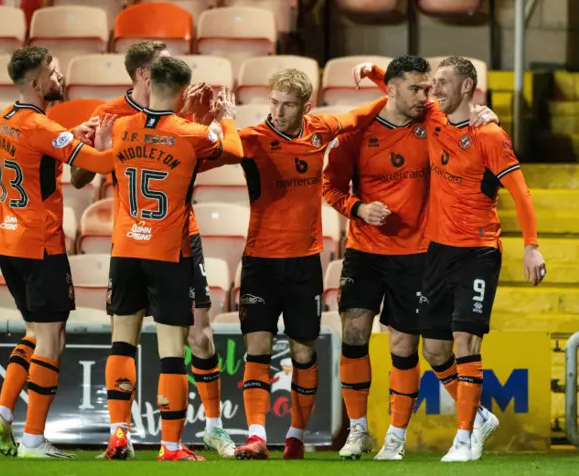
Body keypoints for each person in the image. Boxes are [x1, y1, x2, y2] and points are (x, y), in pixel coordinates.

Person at [355, 57, 546, 462]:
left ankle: (462, 439)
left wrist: (531, 245)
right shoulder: (434, 117)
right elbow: (396, 92)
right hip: (436, 250)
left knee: (464, 341)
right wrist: (373, 71)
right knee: (435, 351)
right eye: (432, 83)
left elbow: (521, 191)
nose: (433, 90)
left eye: (442, 82)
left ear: (467, 87)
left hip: (477, 252)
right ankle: (478, 416)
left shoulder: (489, 134)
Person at [199, 68, 392, 460]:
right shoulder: (251, 140)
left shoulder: (320, 130)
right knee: (258, 348)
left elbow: (374, 108)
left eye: (287, 105)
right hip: (260, 264)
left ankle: (294, 437)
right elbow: (198, 159)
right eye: (274, 103)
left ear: (305, 106)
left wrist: (377, 75)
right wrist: (206, 120)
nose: (278, 111)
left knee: (304, 353)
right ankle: (255, 436)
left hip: (305, 264)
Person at [324, 55, 499, 461]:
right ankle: (358, 431)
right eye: (417, 89)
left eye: (429, 88)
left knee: (406, 344)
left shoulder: (435, 120)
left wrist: (484, 117)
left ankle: (396, 439)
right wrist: (358, 209)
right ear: (391, 90)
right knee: (353, 334)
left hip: (420, 252)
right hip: (365, 249)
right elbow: (329, 187)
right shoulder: (356, 131)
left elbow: (469, 120)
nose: (427, 96)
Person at [70, 40, 235, 460]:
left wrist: (98, 148)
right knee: (171, 349)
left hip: (128, 244)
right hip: (169, 246)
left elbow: (103, 161)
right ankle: (171, 444)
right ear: (147, 73)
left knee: (132, 343)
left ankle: (122, 434)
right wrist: (219, 120)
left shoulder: (121, 126)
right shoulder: (174, 128)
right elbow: (230, 150)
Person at [0, 46, 115, 459]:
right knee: (52, 341)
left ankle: (2, 413)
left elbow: (40, 149)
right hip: (41, 245)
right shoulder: (43, 127)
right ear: (38, 82)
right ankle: (33, 438)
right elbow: (95, 161)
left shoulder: (2, 120)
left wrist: (70, 135)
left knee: (34, 332)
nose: (59, 77)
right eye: (54, 71)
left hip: (8, 242)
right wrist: (125, 144)